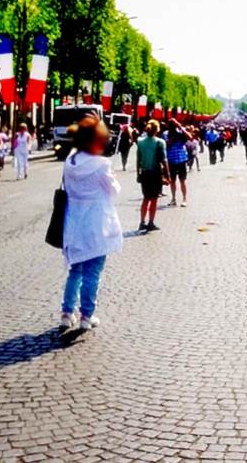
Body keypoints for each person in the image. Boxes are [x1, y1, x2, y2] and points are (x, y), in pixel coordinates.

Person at [58, 116, 123, 333]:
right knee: (93, 272)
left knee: (75, 270)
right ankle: (86, 315)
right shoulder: (101, 165)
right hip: (96, 224)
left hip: (74, 220)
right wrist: (112, 177)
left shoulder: (70, 161)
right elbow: (114, 191)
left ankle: (67, 313)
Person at [136, 120, 168, 231]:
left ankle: (142, 222)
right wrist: (167, 176)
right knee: (154, 199)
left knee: (145, 198)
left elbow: (138, 160)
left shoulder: (140, 142)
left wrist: (138, 174)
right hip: (155, 173)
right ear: (157, 130)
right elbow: (164, 160)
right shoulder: (160, 142)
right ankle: (151, 222)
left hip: (144, 173)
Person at [164, 120, 190, 207]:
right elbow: (166, 145)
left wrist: (181, 128)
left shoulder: (181, 133)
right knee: (172, 181)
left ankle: (184, 199)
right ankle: (173, 198)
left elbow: (190, 137)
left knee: (182, 180)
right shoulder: (165, 134)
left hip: (181, 159)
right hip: (171, 160)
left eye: (174, 125)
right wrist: (174, 137)